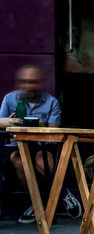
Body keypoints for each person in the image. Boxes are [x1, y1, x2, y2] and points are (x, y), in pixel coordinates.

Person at [0, 65, 82, 223]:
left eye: (33, 82)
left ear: (40, 83)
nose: (28, 86)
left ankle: (54, 197)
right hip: (16, 145)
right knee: (19, 159)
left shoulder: (52, 102)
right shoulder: (9, 99)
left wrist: (38, 126)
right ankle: (42, 202)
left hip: (42, 144)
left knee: (41, 161)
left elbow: (53, 131)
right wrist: (9, 122)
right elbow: (0, 123)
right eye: (25, 82)